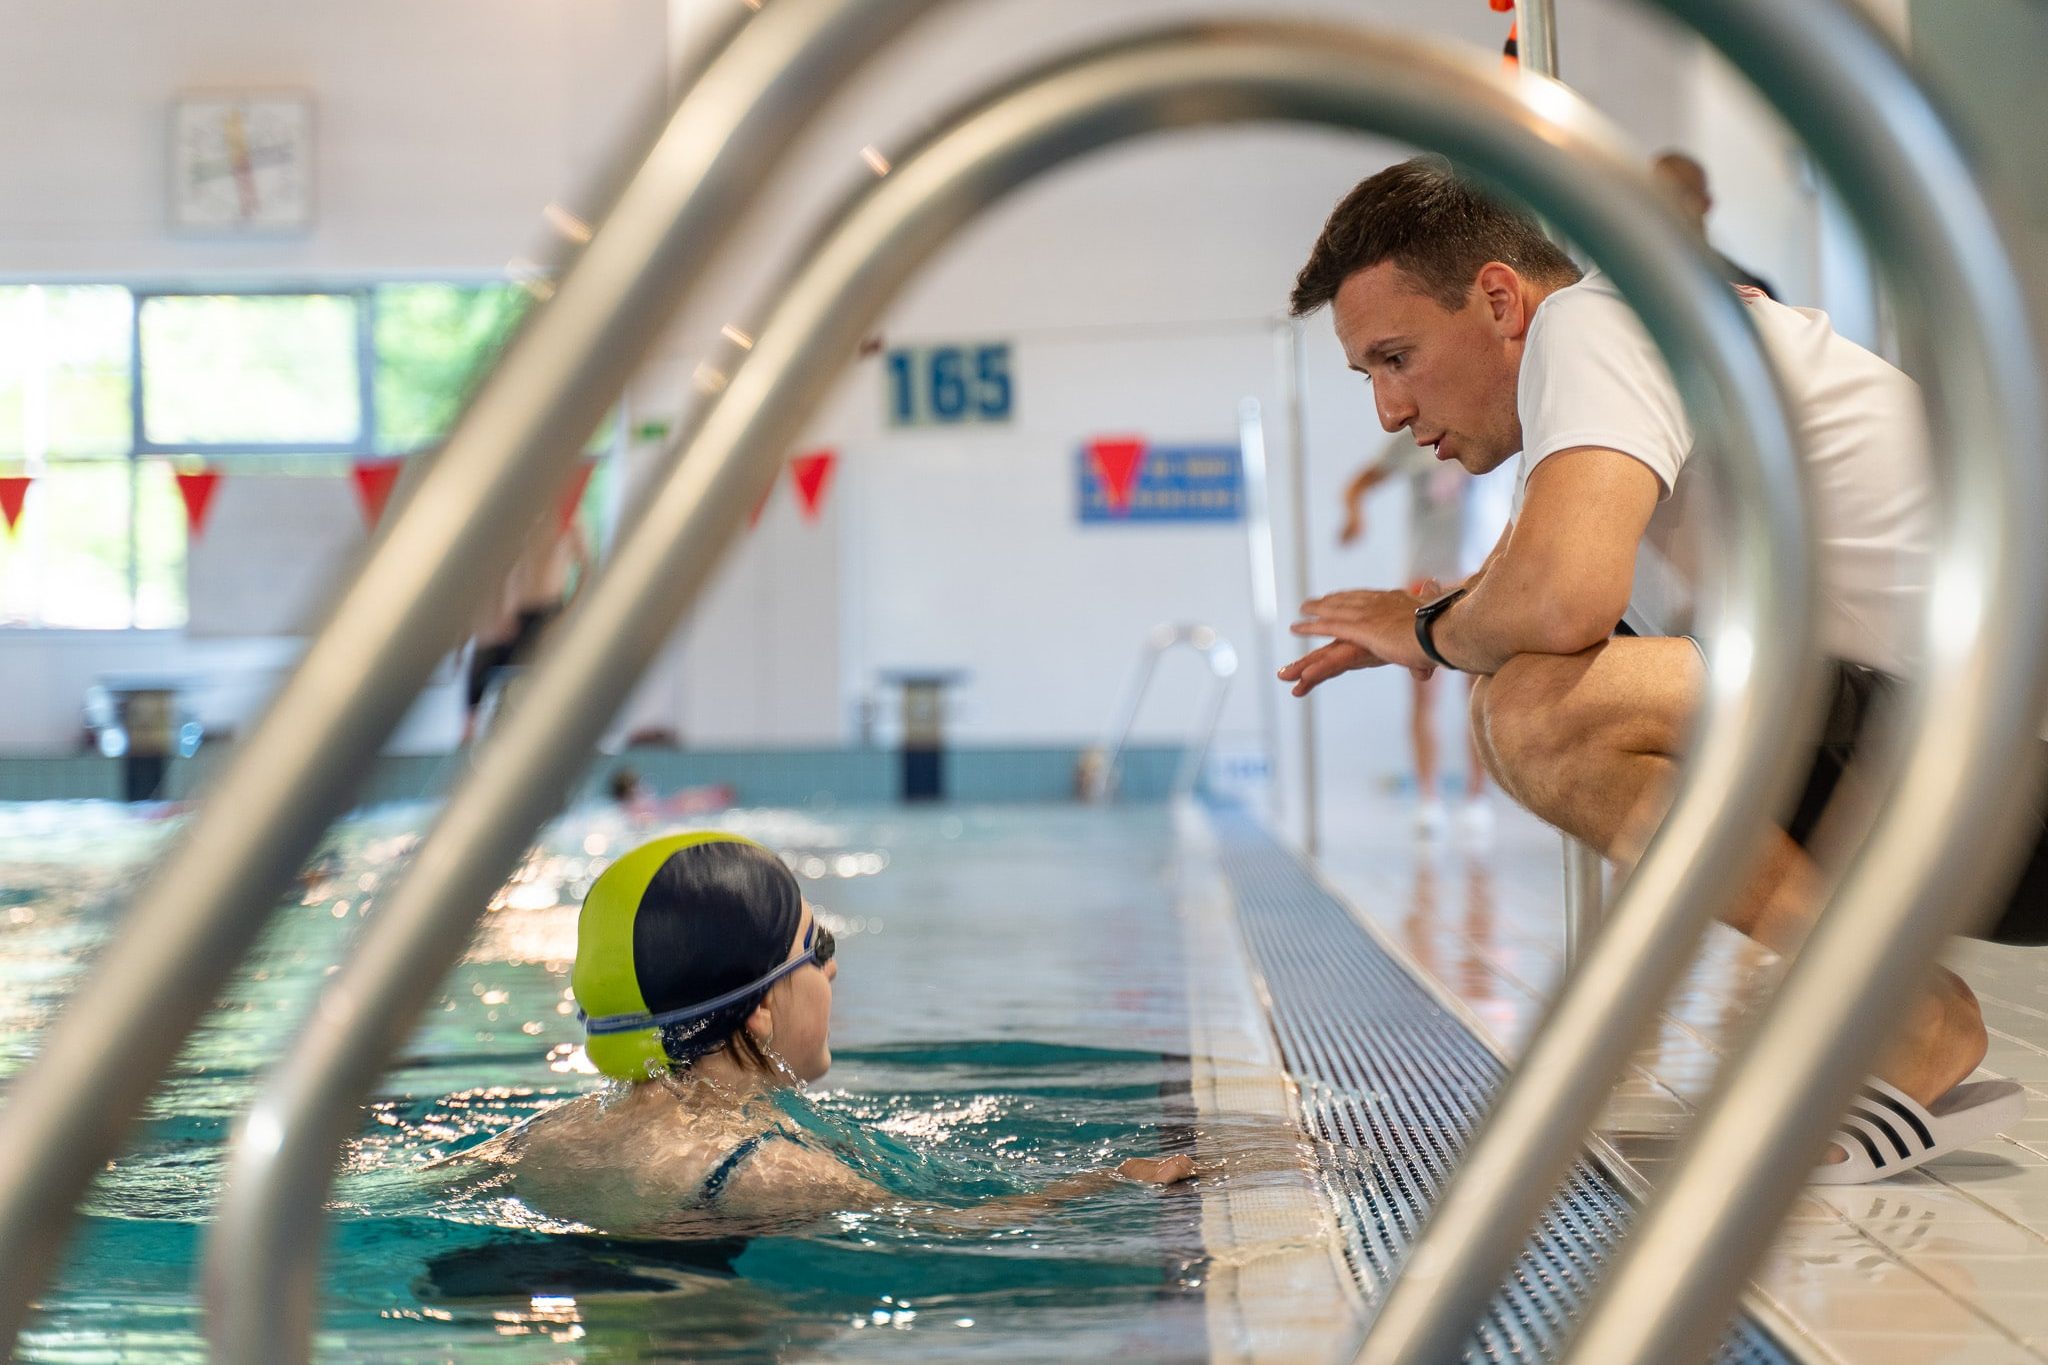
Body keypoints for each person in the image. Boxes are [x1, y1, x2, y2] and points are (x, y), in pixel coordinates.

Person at [1276, 155, 2035, 1182]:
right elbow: (1523, 588)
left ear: (1498, 298)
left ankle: (1899, 1017)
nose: (1388, 412)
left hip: (2002, 768)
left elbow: (1554, 598)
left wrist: (1424, 633)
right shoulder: (1619, 367)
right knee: (1538, 688)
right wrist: (1439, 617)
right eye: (1369, 375)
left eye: (1395, 357)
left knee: (1542, 711)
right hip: (1958, 772)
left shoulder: (1593, 323)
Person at [455, 832, 1193, 1236]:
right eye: (818, 948)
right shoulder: (770, 1171)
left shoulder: (551, 1137)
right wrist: (1116, 1180)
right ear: (759, 1010)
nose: (833, 973)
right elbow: (957, 1228)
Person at [1338, 432, 1513, 839]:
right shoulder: (1414, 438)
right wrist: (1354, 513)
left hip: (1479, 577)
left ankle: (1476, 796)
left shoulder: (1498, 437)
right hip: (1425, 580)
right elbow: (1362, 481)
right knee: (1424, 693)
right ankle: (1428, 797)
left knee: (1479, 695)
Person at [462, 515, 591, 744]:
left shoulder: (571, 523)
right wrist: (506, 607)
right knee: (487, 661)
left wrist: (568, 615)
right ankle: (471, 729)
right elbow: (510, 565)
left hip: (548, 612)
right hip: (517, 612)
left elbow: (588, 570)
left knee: (541, 679)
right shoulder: (528, 516)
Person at [1648, 150, 1778, 300]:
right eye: (1657, 194)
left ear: (1706, 203)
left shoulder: (1753, 291)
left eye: (1682, 194)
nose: (1667, 206)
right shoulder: (1635, 272)